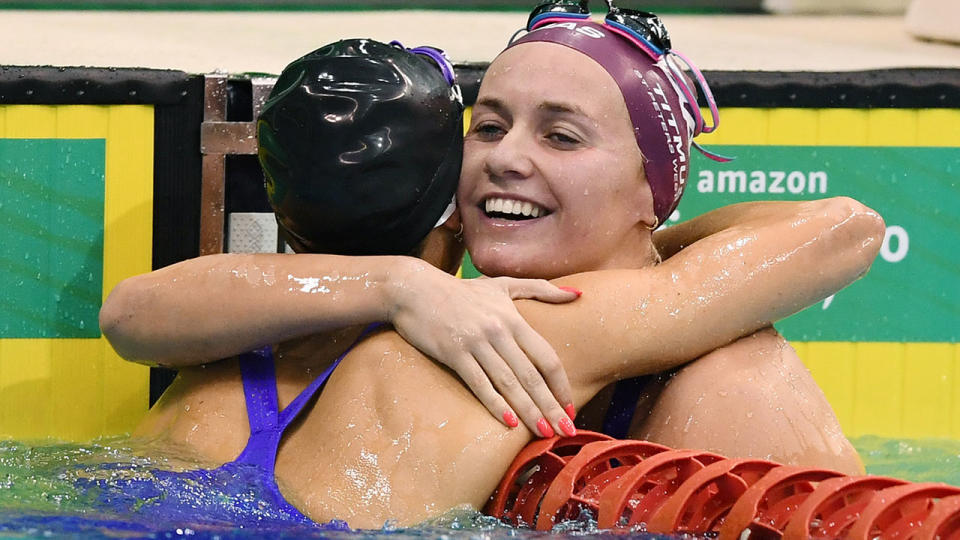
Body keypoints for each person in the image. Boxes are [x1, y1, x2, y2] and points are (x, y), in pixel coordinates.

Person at [100, 5, 886, 529]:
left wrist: (665, 249)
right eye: (491, 127)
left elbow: (845, 228)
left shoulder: (715, 373)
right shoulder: (460, 322)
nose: (506, 160)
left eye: (562, 137)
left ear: (652, 186)